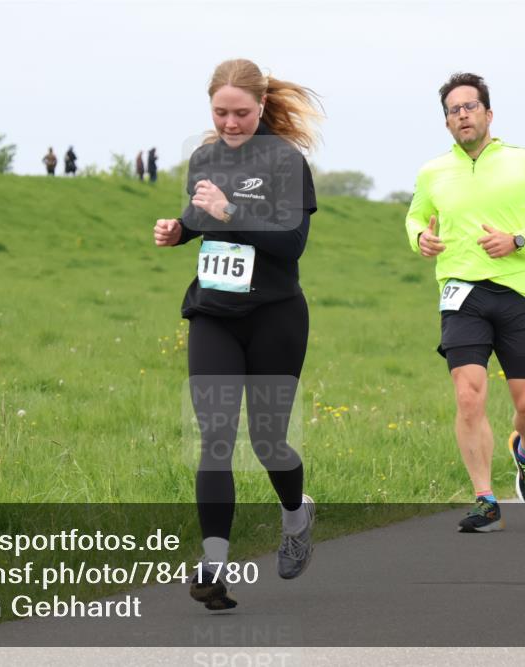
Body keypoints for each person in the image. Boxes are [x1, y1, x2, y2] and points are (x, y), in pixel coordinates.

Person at [153, 58, 322, 609]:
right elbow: (202, 218)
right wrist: (179, 230)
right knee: (216, 439)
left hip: (275, 315)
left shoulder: (285, 160)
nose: (229, 122)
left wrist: (230, 214)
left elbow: (291, 244)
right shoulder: (204, 157)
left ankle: (296, 515)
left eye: (241, 113)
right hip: (213, 313)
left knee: (268, 442)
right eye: (220, 112)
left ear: (261, 105)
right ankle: (214, 568)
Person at [404, 72, 525, 533]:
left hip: (518, 293)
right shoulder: (432, 171)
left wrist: (518, 240)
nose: (462, 115)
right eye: (454, 110)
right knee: (468, 394)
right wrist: (420, 236)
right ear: (447, 122)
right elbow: (415, 215)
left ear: (488, 113)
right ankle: (485, 499)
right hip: (462, 294)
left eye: (470, 106)